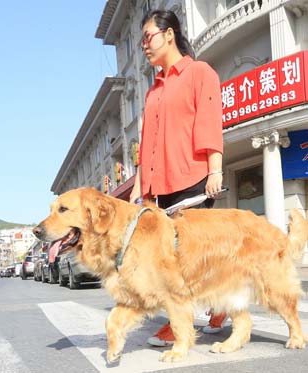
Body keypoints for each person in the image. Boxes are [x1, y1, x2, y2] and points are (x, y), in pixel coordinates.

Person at [129, 9, 227, 347]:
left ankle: (180, 324)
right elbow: (147, 143)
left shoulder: (199, 72)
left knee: (182, 259)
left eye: (148, 37)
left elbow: (210, 120)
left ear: (169, 34)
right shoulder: (153, 91)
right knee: (181, 257)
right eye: (141, 39)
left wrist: (215, 168)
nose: (144, 45)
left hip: (194, 178)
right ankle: (221, 305)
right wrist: (141, 187)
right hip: (161, 186)